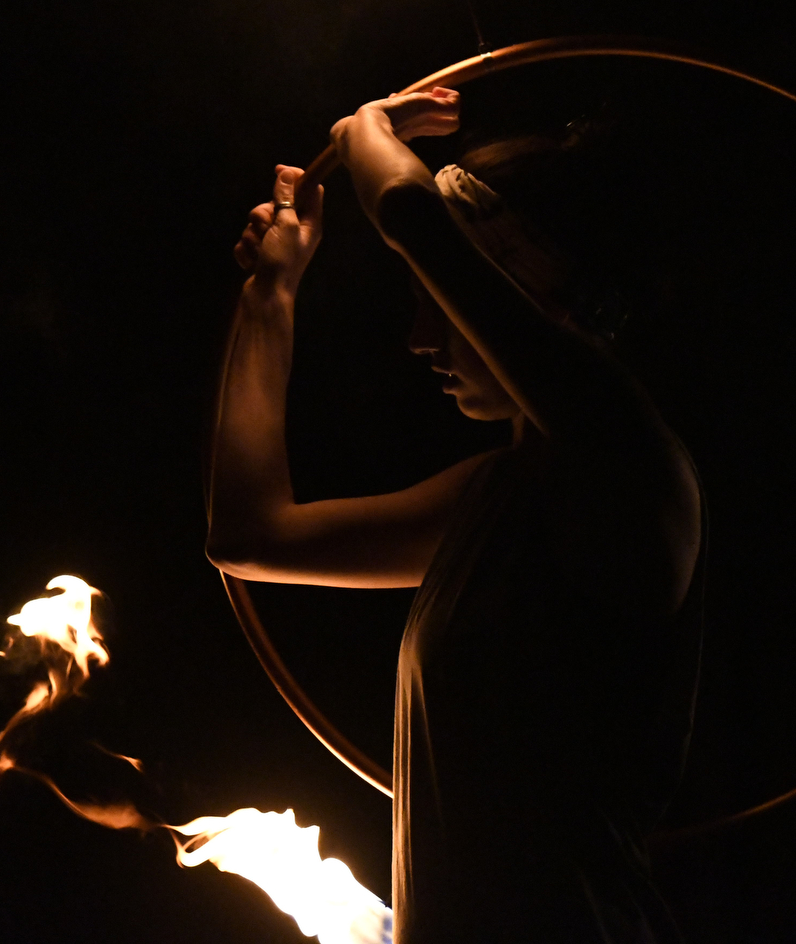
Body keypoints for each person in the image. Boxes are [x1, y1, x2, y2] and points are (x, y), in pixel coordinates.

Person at [206, 86, 704, 943]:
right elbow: (251, 537)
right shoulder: (494, 498)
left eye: (445, 293)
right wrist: (272, 295)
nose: (420, 338)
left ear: (523, 291)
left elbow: (405, 207)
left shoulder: (625, 459)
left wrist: (365, 127)